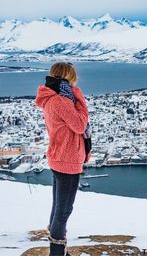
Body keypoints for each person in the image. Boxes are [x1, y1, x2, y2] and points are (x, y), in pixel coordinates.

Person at [35, 62, 90, 256]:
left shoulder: (51, 98)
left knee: (58, 206)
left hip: (59, 157)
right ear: (68, 77)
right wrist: (80, 99)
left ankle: (58, 249)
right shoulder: (62, 101)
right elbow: (80, 125)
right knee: (64, 210)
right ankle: (57, 252)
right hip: (67, 160)